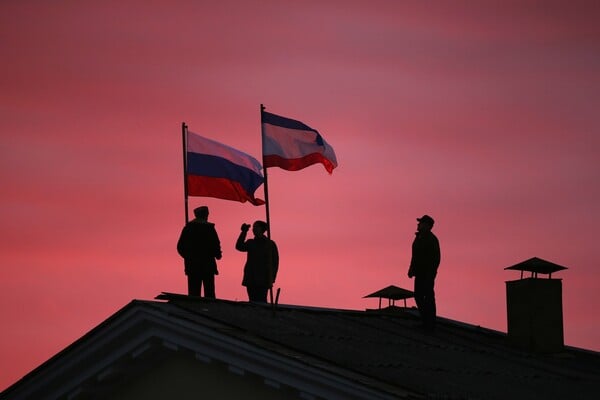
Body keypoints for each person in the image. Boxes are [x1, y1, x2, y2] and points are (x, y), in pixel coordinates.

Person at [177, 206, 222, 298]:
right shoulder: (209, 229)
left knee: (194, 294)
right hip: (207, 265)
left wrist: (188, 257)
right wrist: (218, 254)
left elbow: (180, 247)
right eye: (207, 214)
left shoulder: (188, 228)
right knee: (209, 294)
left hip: (193, 266)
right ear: (205, 215)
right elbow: (216, 244)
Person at [407, 214, 441, 330]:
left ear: (427, 225)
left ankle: (429, 323)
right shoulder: (419, 238)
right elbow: (415, 256)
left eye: (420, 223)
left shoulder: (431, 240)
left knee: (428, 297)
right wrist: (412, 268)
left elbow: (436, 259)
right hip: (420, 273)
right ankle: (426, 321)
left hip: (427, 274)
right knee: (419, 296)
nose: (418, 224)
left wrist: (430, 274)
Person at [235, 221, 279, 303]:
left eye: (256, 227)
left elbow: (275, 263)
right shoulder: (250, 243)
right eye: (253, 227)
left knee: (262, 301)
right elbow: (239, 246)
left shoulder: (270, 244)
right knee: (252, 301)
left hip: (264, 278)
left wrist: (272, 277)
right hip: (251, 277)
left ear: (262, 229)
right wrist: (243, 232)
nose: (254, 229)